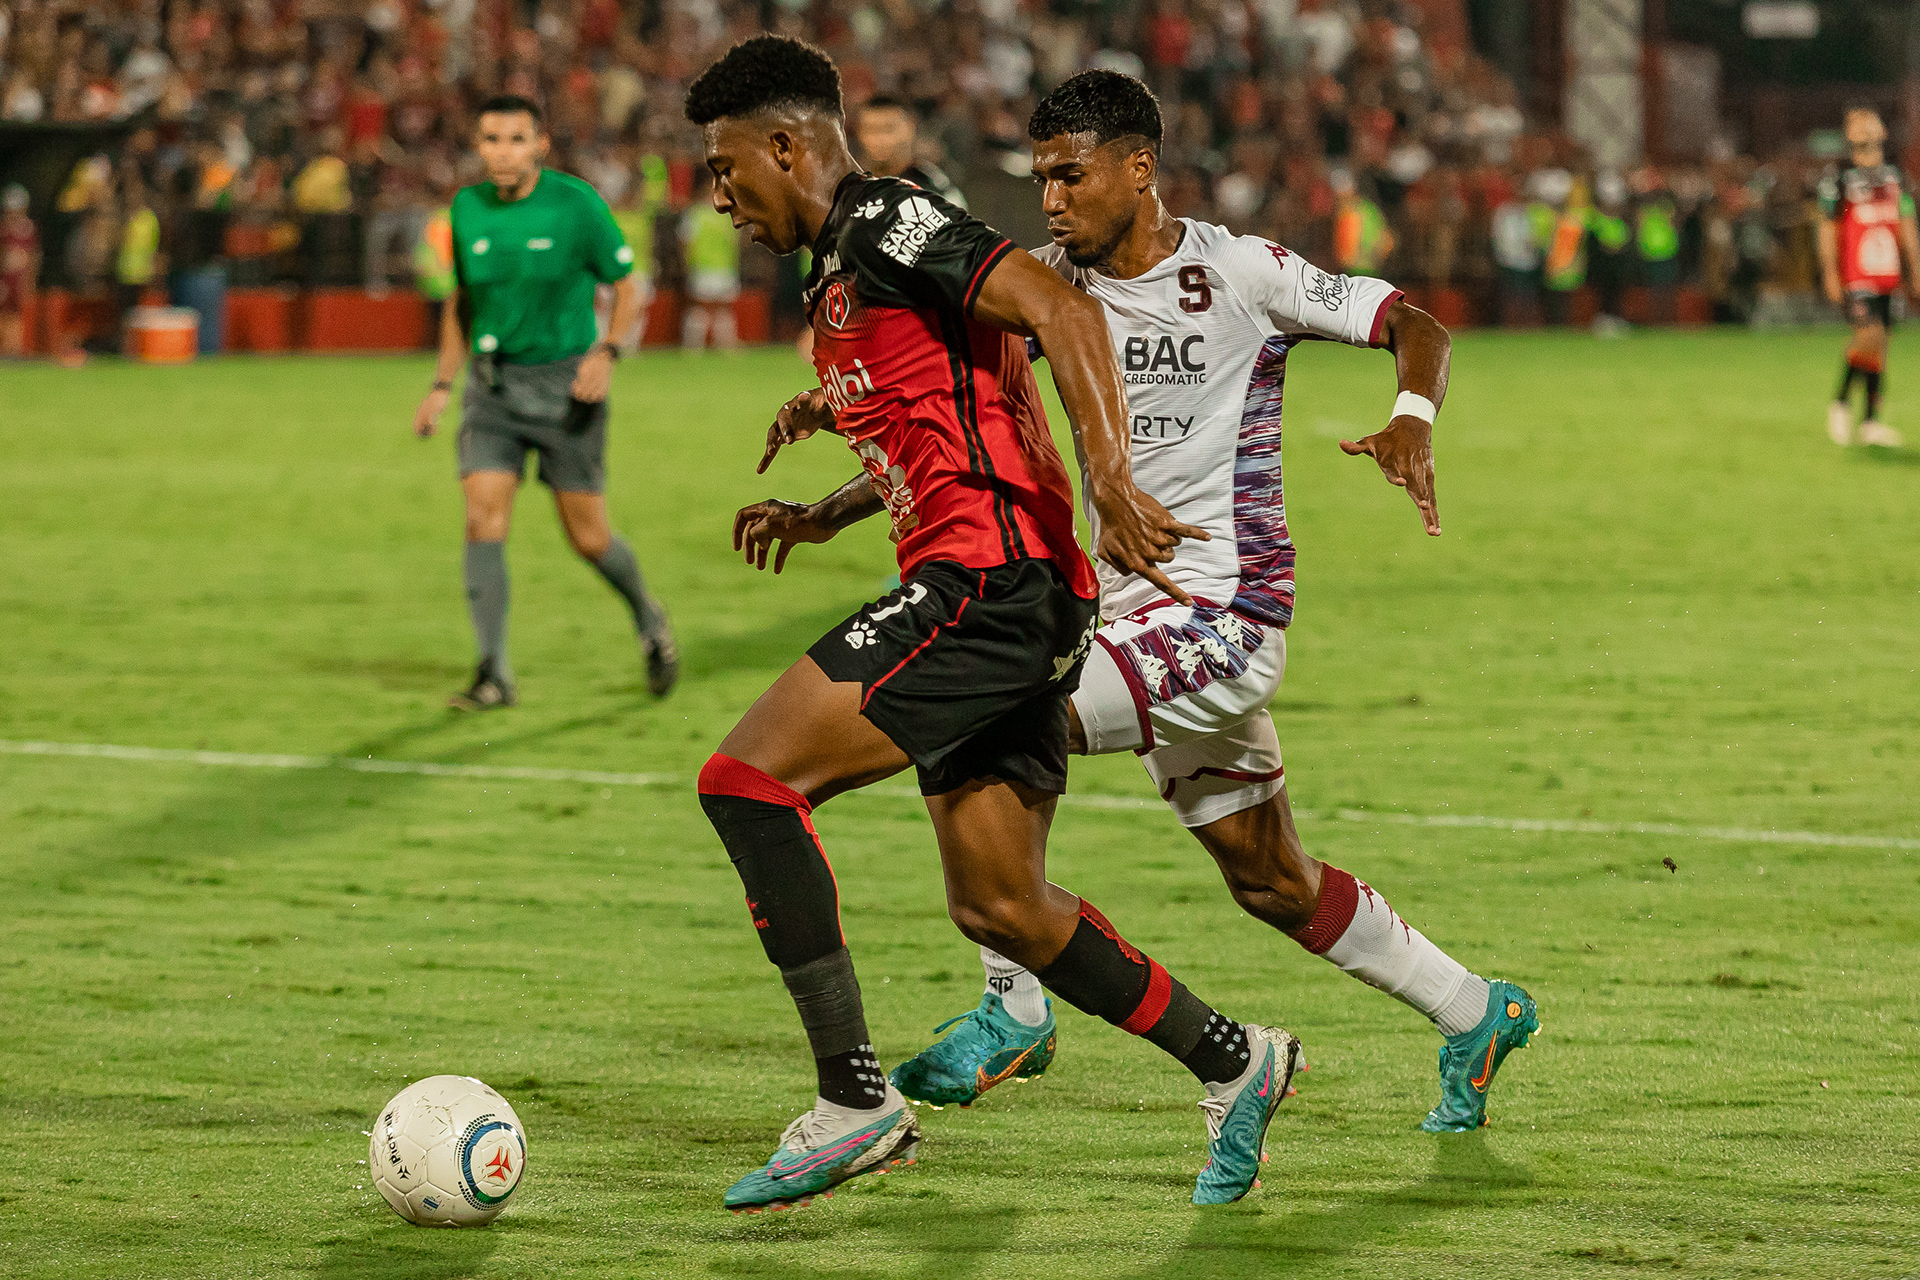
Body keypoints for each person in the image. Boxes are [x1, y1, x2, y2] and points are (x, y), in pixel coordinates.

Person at [694, 36, 1298, 1213]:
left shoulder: (886, 223)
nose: (720, 196)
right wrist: (828, 511)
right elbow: (956, 409)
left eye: (726, 169)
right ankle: (1238, 1058)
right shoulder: (840, 267)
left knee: (748, 781)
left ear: (784, 143)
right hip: (1012, 591)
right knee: (1002, 905)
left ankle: (856, 1101)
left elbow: (1061, 311)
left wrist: (1114, 479)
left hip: (989, 591)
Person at [888, 70, 1537, 1137]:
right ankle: (1476, 1009)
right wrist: (839, 495)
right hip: (1128, 620)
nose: (1049, 201)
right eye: (1040, 178)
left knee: (992, 713)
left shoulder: (1239, 270)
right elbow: (976, 428)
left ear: (1138, 167)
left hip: (1223, 618)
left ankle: (1014, 1005)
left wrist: (1412, 414)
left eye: (1069, 175)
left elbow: (1413, 320)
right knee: (1271, 877)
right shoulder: (1049, 289)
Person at [411, 94, 678, 708]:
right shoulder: (467, 208)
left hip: (567, 390)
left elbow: (628, 287)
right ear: (477, 147)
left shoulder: (576, 204)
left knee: (588, 538)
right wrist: (442, 385)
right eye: (490, 140)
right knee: (483, 517)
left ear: (540, 145)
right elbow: (462, 303)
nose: (502, 152)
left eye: (515, 139)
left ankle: (647, 616)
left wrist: (607, 353)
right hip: (493, 388)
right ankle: (492, 672)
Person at [1818, 108, 1920, 448]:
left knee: (1881, 347)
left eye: (1869, 120)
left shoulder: (1896, 177)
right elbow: (1827, 228)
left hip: (1887, 275)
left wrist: (1915, 270)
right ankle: (1841, 401)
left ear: (1883, 131)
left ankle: (1871, 423)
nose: (1863, 127)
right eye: (1856, 123)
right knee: (1869, 336)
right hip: (1856, 276)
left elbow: (1907, 225)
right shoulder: (1839, 179)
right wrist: (1830, 273)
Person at [854, 93, 967, 208]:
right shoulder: (848, 187)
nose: (878, 138)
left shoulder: (934, 189)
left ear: (910, 126)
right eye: (869, 129)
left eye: (888, 129)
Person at [679, 168, 741, 350]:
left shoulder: (727, 214)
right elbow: (685, 241)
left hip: (724, 267)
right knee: (700, 308)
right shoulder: (695, 213)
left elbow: (734, 242)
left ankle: (726, 345)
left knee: (723, 308)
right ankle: (692, 346)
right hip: (702, 267)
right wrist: (688, 263)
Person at [0, 184, 39, 358]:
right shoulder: (3, 229)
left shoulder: (29, 229)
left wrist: (30, 280)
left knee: (18, 315)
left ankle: (15, 351)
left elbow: (33, 257)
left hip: (20, 280)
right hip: (5, 280)